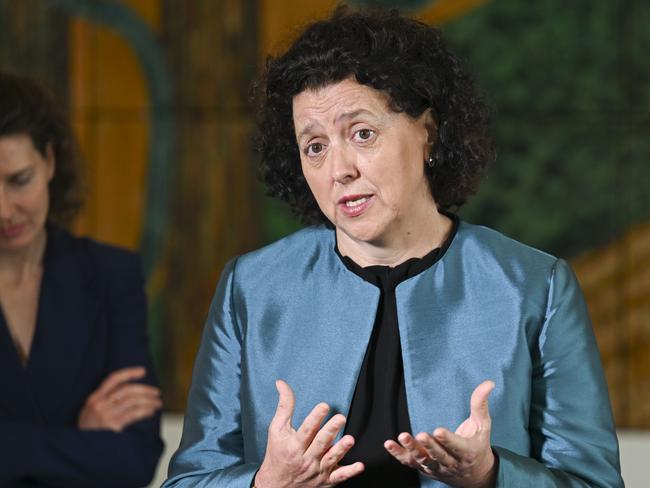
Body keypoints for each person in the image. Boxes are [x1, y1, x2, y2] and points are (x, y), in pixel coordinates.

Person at [164, 7, 623, 488]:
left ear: (428, 132)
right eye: (314, 146)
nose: (339, 169)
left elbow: (594, 483)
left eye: (362, 134)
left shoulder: (533, 286)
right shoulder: (253, 289)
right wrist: (265, 484)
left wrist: (490, 476)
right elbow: (188, 481)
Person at [0, 71, 163, 486]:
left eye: (19, 181)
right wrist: (77, 437)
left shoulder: (111, 276)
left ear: (50, 162)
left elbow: (135, 458)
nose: (4, 210)